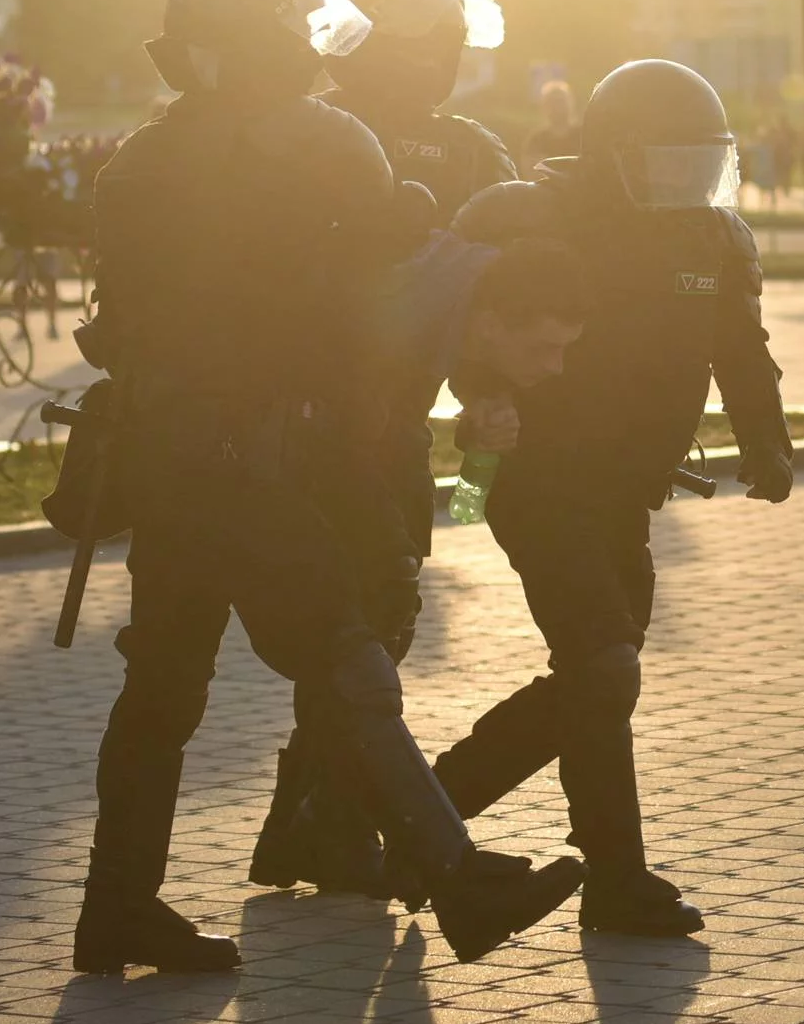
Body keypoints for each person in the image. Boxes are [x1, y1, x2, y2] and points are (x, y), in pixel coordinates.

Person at [71, 0, 582, 976]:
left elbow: (119, 320)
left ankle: (117, 908)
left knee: (165, 687)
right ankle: (453, 877)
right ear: (272, 41)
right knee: (349, 647)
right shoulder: (325, 146)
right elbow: (356, 303)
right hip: (261, 456)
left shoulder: (143, 159)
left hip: (168, 455)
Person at [429, 59, 796, 936]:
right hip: (534, 483)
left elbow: (743, 349)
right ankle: (461, 823)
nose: (685, 186)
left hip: (627, 491)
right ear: (613, 155)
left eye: (699, 166)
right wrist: (483, 405)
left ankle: (453, 821)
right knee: (603, 664)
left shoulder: (715, 238)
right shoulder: (540, 221)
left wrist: (766, 438)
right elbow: (467, 331)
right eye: (667, 165)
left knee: (601, 676)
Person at [249, 230, 591, 898]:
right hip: (305, 442)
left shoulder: (480, 307)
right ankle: (330, 830)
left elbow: (467, 505)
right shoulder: (400, 323)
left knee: (373, 634)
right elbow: (339, 441)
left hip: (375, 440)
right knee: (359, 641)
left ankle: (312, 830)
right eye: (544, 347)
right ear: (491, 326)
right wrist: (390, 541)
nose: (556, 367)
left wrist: (482, 444)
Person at [323, 0, 517, 227]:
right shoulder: (313, 127)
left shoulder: (473, 147)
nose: (432, 63)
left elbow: (508, 245)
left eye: (444, 48)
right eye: (419, 47)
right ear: (366, 44)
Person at [523, 78, 579, 168]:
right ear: (545, 105)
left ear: (570, 103)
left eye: (561, 101)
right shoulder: (536, 140)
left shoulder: (583, 136)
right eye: (553, 102)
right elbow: (531, 170)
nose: (557, 107)